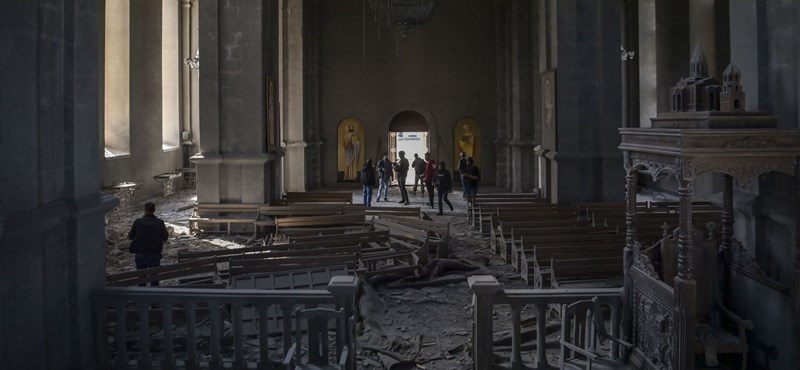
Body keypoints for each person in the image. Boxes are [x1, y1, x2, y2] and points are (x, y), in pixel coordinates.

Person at [128, 202, 169, 286]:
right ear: (154, 210)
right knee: (154, 279)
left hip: (140, 254)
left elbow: (130, 236)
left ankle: (142, 297)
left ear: (145, 210)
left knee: (141, 279)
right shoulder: (159, 222)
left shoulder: (138, 222)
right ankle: (154, 297)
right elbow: (165, 237)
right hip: (154, 253)